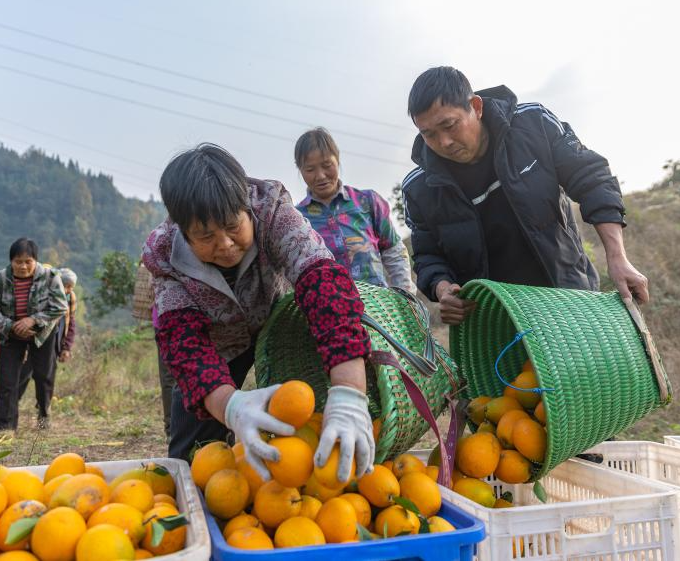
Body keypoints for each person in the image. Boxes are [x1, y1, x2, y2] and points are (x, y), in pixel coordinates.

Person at [141, 143, 375, 483]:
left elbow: (322, 281)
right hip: (214, 345)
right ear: (183, 231)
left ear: (246, 207)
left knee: (295, 425)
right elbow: (183, 341)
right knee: (194, 451)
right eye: (205, 236)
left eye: (233, 227)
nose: (224, 244)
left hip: (272, 330)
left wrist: (350, 392)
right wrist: (230, 406)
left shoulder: (273, 209)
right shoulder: (164, 252)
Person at [401, 66, 650, 325]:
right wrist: (443, 290)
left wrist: (617, 257)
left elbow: (591, 179)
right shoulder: (419, 188)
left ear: (476, 106)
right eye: (429, 134)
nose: (444, 142)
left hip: (568, 297)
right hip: (494, 319)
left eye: (449, 125)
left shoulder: (533, 125)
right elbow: (428, 255)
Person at [294, 128, 415, 294]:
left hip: (378, 307)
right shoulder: (297, 219)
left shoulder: (368, 202)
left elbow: (393, 251)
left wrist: (405, 297)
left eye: (327, 165)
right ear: (300, 169)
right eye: (310, 169)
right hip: (328, 313)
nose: (320, 175)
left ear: (337, 159)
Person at [0, 238, 68, 433]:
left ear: (35, 261)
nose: (23, 266)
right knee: (8, 381)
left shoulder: (50, 277)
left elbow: (60, 306)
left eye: (28, 261)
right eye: (18, 262)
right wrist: (11, 326)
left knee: (43, 376)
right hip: (10, 335)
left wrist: (33, 320)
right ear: (11, 261)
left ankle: (44, 417)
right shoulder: (0, 280)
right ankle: (5, 428)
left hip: (42, 334)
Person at [16, 267, 78, 424]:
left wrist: (66, 347)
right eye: (66, 286)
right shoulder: (45, 296)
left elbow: (71, 324)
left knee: (46, 378)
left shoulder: (70, 298)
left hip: (53, 345)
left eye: (71, 287)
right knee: (23, 375)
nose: (68, 290)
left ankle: (44, 414)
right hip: (34, 342)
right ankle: (11, 409)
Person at [131, 261, 174, 440]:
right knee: (170, 379)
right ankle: (172, 428)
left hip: (166, 321)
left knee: (170, 379)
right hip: (165, 322)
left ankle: (172, 428)